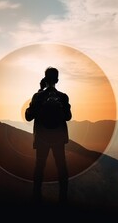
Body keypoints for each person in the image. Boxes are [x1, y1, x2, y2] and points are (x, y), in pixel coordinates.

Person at [25, 67, 72, 204]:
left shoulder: (38, 96)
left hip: (42, 138)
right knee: (61, 167)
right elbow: (68, 117)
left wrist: (40, 91)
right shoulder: (63, 97)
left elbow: (28, 116)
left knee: (39, 167)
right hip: (58, 138)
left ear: (45, 79)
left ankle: (36, 197)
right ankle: (63, 199)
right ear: (57, 80)